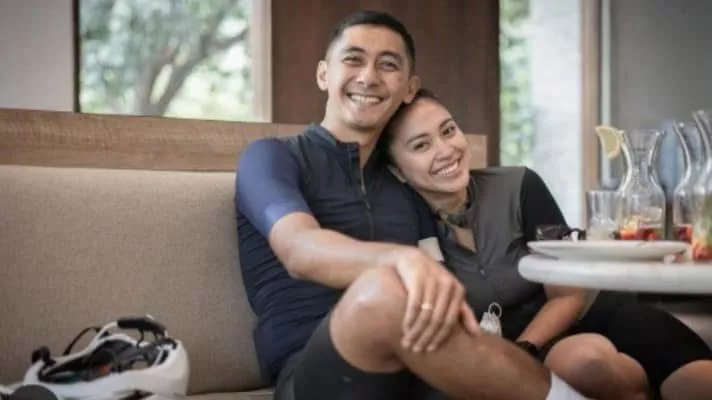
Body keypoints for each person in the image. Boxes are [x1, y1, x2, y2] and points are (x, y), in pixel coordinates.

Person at [236, 10, 590, 400]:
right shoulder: (271, 157)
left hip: (412, 368)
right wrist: (399, 260)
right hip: (317, 373)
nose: (369, 77)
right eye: (353, 59)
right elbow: (299, 249)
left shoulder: (404, 186)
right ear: (324, 74)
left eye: (388, 65)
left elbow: (446, 276)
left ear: (408, 88)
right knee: (382, 291)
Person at [379, 87, 712, 400]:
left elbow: (569, 295)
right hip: (556, 350)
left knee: (696, 383)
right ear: (397, 170)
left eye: (448, 131)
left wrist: (520, 352)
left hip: (597, 315)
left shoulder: (518, 185)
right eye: (421, 146)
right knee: (585, 364)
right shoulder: (402, 230)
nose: (445, 150)